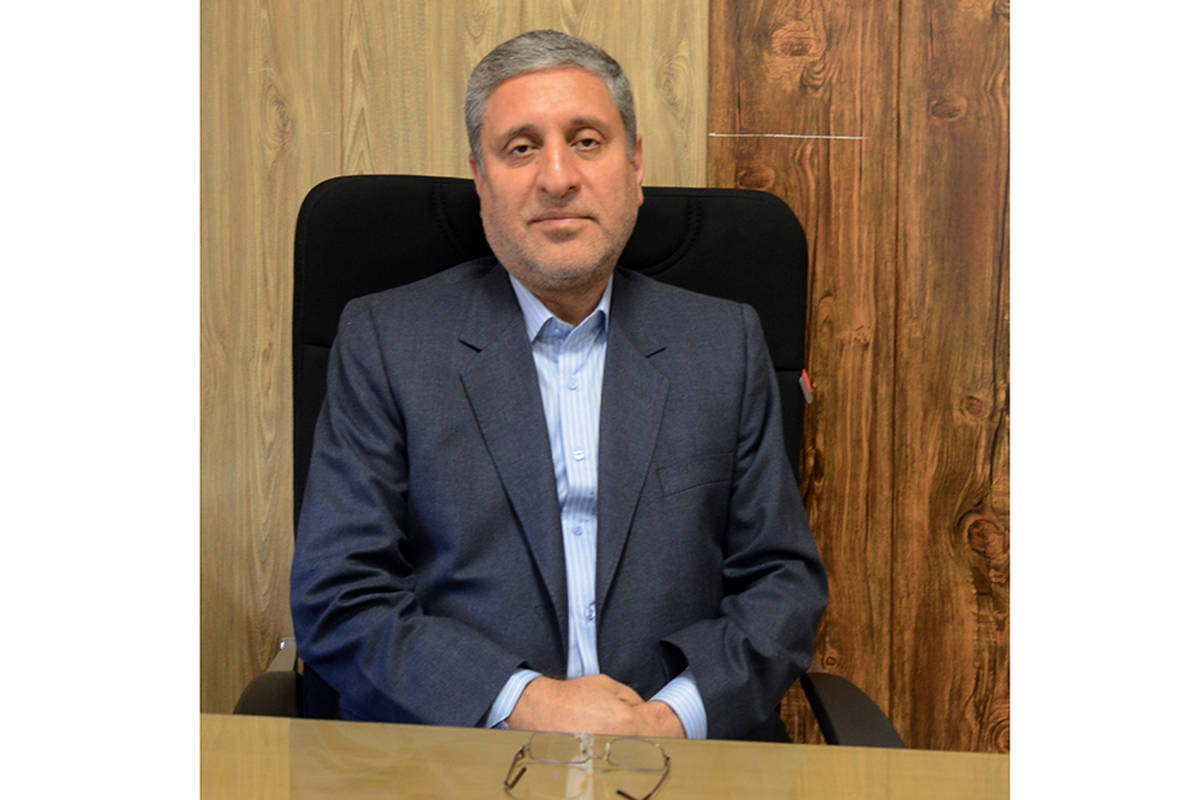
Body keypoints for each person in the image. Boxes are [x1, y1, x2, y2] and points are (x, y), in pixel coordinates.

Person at [290, 29, 827, 742]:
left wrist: (674, 716)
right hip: (459, 755)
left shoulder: (723, 344)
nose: (556, 177)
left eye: (586, 141)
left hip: (679, 759)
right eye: (520, 148)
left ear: (634, 165)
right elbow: (339, 597)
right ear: (480, 179)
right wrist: (525, 703)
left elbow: (781, 583)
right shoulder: (386, 342)